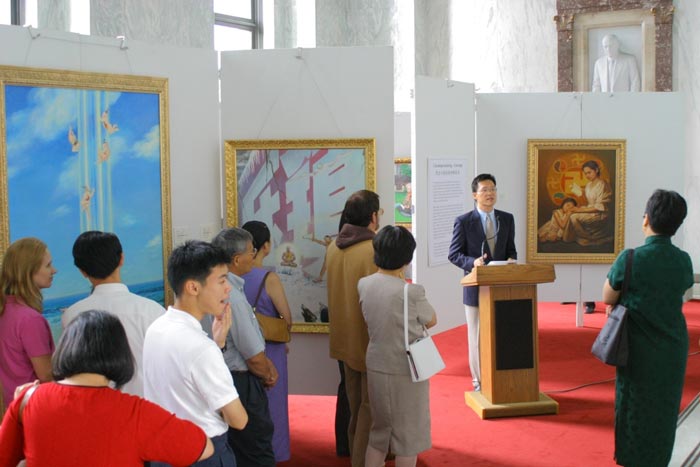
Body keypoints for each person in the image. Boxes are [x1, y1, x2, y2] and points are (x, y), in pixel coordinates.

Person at [0, 310, 214, 466]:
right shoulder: (135, 412)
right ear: (120, 353)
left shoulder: (28, 399)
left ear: (66, 347)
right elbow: (203, 447)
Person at [602, 189, 694, 467]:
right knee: (664, 410)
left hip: (638, 348)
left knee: (634, 407)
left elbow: (608, 295)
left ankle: (633, 460)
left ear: (646, 219)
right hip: (673, 348)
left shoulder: (630, 258)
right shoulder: (683, 260)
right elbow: (681, 289)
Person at [143, 240, 248, 467]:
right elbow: (238, 419)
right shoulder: (201, 347)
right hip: (203, 453)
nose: (228, 288)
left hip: (163, 451)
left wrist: (218, 344)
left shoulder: (156, 328)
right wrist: (214, 348)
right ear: (193, 287)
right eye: (221, 280)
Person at [359, 225, 437, 467]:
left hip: (376, 363)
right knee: (408, 436)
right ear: (407, 258)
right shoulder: (411, 291)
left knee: (379, 432)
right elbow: (431, 320)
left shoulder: (364, 284)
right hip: (407, 368)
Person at [62, 231, 165, 397]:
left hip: (95, 408)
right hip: (145, 406)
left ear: (82, 271)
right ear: (121, 258)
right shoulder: (152, 310)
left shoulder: (72, 316)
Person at [207, 228, 278, 467]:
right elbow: (253, 357)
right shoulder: (233, 297)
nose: (254, 255)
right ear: (237, 260)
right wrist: (268, 372)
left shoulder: (217, 288)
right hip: (241, 383)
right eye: (251, 251)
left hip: (228, 378)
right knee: (256, 450)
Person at [326, 189, 381, 467]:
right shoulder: (373, 250)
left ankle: (348, 448)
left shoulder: (333, 247)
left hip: (343, 337)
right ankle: (360, 459)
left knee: (351, 398)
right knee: (369, 407)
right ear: (373, 216)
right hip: (368, 339)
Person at [448, 174, 516, 392]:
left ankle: (499, 376)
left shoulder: (506, 219)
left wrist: (511, 261)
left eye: (493, 189)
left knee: (501, 335)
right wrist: (473, 262)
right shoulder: (464, 221)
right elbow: (454, 254)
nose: (490, 194)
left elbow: (511, 250)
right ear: (474, 195)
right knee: (477, 337)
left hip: (501, 287)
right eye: (485, 190)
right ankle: (479, 381)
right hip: (475, 287)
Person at [241, 220, 292, 463]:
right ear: (266, 246)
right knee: (273, 404)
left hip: (243, 349)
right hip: (270, 348)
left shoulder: (231, 276)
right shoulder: (268, 278)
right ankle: (274, 453)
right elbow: (287, 318)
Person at [0, 237, 56, 409]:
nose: (54, 270)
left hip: (15, 408)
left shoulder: (5, 311)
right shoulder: (29, 319)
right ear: (29, 271)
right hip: (37, 409)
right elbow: (46, 375)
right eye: (48, 265)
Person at [562, 160, 613, 247]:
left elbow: (599, 207)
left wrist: (578, 210)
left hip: (600, 213)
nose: (587, 175)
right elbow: (587, 202)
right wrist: (579, 193)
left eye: (589, 172)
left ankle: (589, 238)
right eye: (585, 173)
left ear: (596, 170)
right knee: (571, 213)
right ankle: (575, 236)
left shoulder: (602, 184)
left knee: (574, 217)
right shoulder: (588, 185)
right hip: (591, 209)